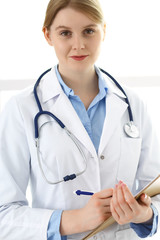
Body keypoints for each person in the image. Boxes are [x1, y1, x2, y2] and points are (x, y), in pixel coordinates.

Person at [0, 0, 159, 239]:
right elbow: (4, 214)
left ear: (104, 30)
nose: (79, 45)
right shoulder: (22, 108)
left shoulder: (133, 104)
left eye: (89, 31)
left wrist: (142, 215)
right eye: (65, 33)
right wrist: (73, 220)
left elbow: (155, 193)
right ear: (47, 35)